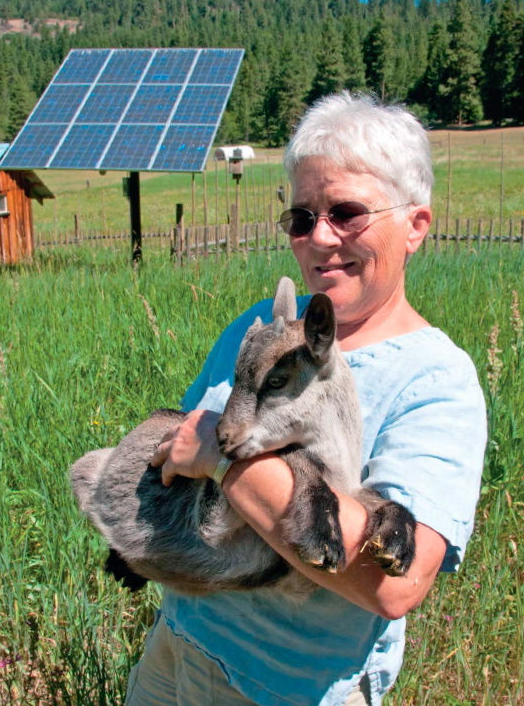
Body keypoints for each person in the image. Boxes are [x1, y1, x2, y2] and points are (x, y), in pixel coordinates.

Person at [126, 93, 487, 706]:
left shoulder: (434, 380)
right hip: (179, 642)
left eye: (348, 213)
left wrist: (221, 456)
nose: (321, 238)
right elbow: (179, 440)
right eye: (301, 217)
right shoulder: (261, 326)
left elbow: (394, 585)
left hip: (285, 686)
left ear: (415, 226)